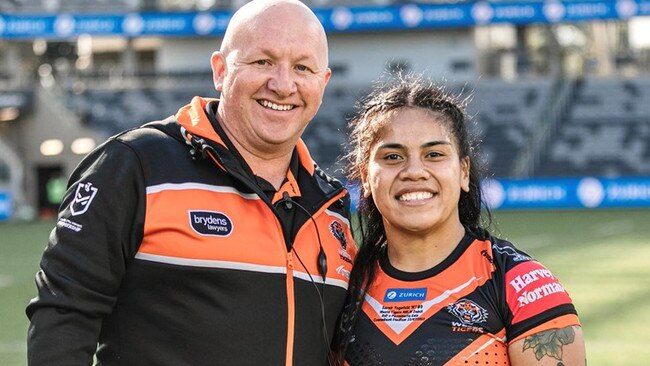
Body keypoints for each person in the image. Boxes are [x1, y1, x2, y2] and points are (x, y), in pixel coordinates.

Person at [26, 1, 357, 365]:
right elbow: (63, 315)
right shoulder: (136, 164)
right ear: (220, 70)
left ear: (322, 83)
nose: (282, 84)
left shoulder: (330, 208)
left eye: (302, 67)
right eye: (262, 62)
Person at [335, 75, 586, 365]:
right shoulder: (342, 290)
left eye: (434, 154)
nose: (414, 171)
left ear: (464, 171)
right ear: (365, 178)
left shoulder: (522, 286)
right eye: (392, 157)